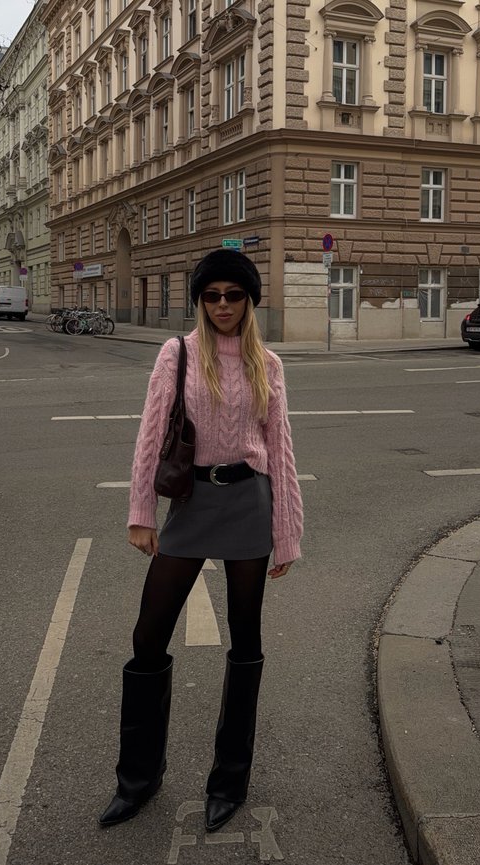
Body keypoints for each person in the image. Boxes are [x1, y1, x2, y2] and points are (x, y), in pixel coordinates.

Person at [98, 249, 303, 833]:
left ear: (249, 301)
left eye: (232, 296)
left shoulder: (268, 363)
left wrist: (286, 533)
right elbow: (149, 436)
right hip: (191, 504)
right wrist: (142, 513)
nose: (221, 306)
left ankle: (228, 781)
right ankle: (137, 780)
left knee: (245, 643)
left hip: (248, 504)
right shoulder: (178, 354)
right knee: (148, 636)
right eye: (211, 296)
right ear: (199, 300)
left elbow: (281, 451)